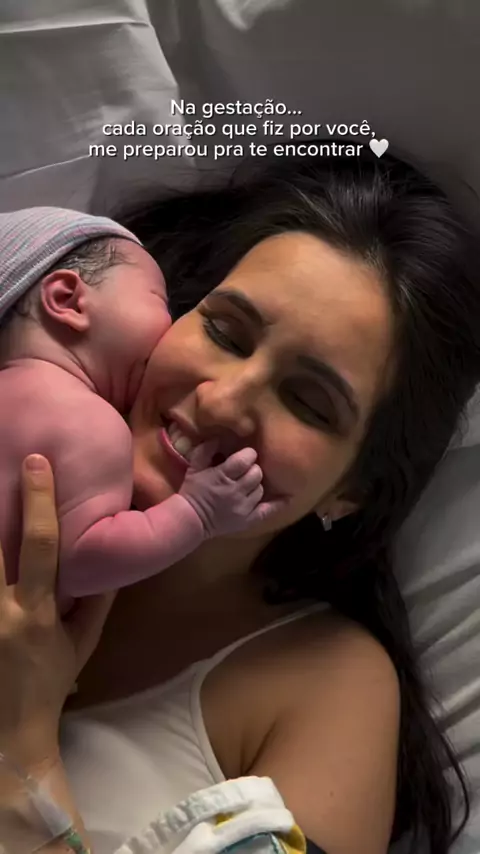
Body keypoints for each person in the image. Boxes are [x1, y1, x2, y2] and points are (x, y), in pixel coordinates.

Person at [2, 152, 480, 854]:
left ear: (354, 489)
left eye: (307, 401)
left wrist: (24, 755)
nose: (223, 401)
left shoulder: (326, 686)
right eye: (225, 332)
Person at [0, 208, 279, 607]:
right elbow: (82, 564)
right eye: (159, 300)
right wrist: (197, 513)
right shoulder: (88, 421)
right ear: (68, 299)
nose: (170, 327)